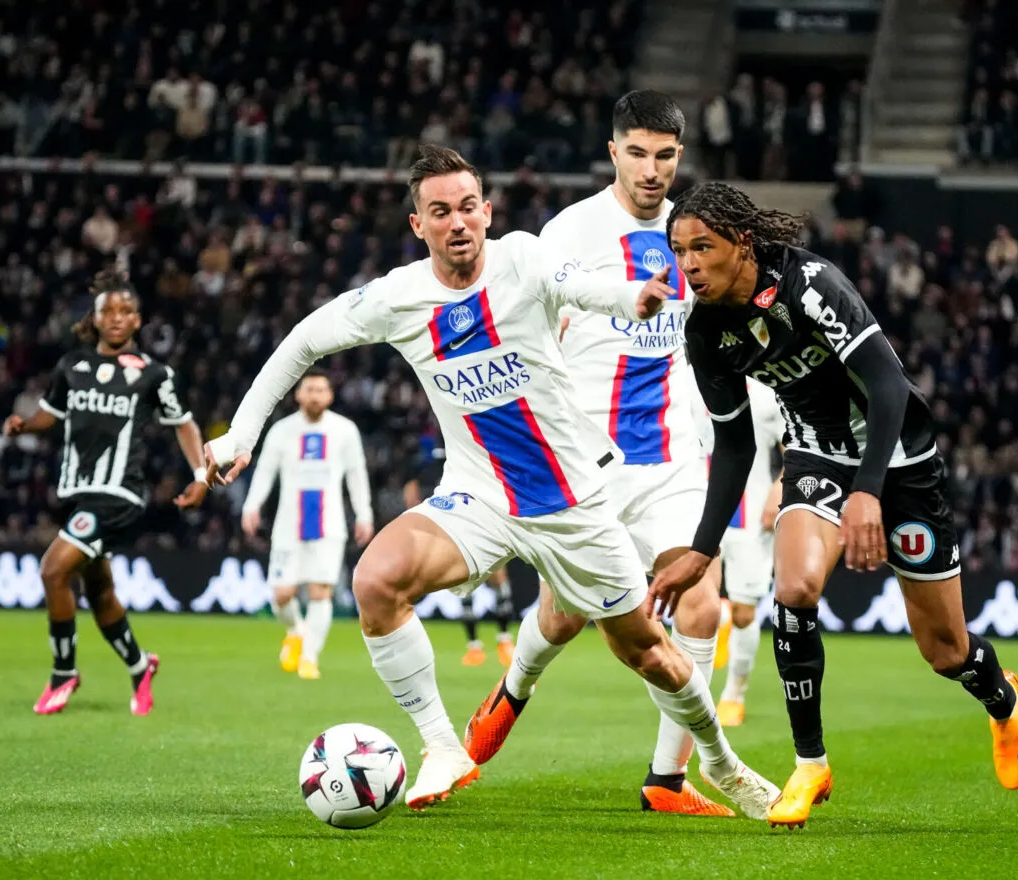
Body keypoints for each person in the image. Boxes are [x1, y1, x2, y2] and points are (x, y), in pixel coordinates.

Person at [203, 145, 779, 816]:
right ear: (418, 224)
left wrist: (635, 297)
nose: (458, 223)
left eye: (469, 207)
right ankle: (443, 745)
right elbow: (304, 338)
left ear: (488, 211)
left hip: (573, 502)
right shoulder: (399, 296)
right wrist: (240, 435)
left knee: (647, 651)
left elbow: (581, 284)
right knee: (375, 580)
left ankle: (719, 760)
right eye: (440, 211)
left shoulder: (522, 259)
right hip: (479, 494)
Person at [650, 182, 1018, 830]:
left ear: (742, 244)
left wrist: (867, 489)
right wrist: (702, 546)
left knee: (944, 650)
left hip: (901, 458)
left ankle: (1002, 698)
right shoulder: (707, 330)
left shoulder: (810, 284)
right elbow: (737, 445)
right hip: (816, 456)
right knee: (794, 586)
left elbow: (887, 384)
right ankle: (810, 762)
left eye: (702, 248)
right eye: (680, 249)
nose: (688, 264)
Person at [466, 90, 734, 817]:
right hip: (590, 456)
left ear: (681, 157)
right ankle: (512, 688)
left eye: (666, 156)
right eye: (638, 153)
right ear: (613, 151)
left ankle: (666, 781)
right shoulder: (569, 232)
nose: (652, 170)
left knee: (703, 608)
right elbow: (524, 335)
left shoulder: (697, 233)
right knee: (563, 616)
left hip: (675, 456)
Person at [4, 268, 208, 716]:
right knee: (98, 591)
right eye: (108, 310)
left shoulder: (154, 374)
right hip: (81, 491)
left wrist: (200, 475)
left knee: (54, 571)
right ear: (94, 319)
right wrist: (24, 425)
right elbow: (49, 413)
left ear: (138, 321)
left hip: (120, 495)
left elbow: (184, 424)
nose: (117, 317)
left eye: (126, 311)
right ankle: (140, 666)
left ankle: (63, 673)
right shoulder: (71, 366)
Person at [240, 368, 375, 680]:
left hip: (329, 523)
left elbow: (356, 475)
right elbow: (265, 472)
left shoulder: (344, 430)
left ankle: (310, 658)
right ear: (298, 395)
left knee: (320, 591)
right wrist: (252, 506)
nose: (314, 395)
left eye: (320, 390)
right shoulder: (282, 431)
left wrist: (364, 514)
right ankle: (296, 630)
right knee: (281, 595)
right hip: (289, 524)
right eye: (309, 389)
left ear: (329, 396)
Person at [402, 440, 518, 668]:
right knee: (466, 586)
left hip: (484, 527)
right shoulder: (429, 464)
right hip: (452, 532)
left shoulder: (476, 456)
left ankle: (504, 641)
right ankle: (475, 646)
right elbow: (411, 493)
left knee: (498, 581)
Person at [709, 380, 785, 727]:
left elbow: (795, 445)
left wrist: (780, 487)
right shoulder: (686, 380)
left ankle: (734, 695)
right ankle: (692, 696)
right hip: (696, 508)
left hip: (749, 514)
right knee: (694, 603)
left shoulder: (767, 393)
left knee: (744, 611)